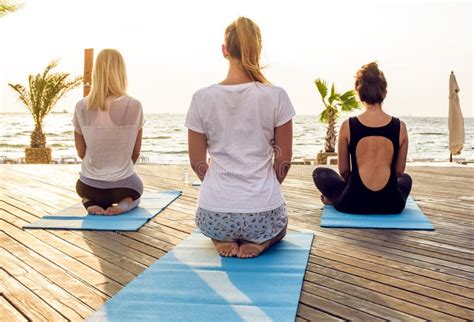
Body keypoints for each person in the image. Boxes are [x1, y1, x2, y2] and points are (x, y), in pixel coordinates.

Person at [186, 17, 295, 258]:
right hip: (262, 215)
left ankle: (220, 238)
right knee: (282, 227)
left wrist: (218, 187)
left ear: (224, 51)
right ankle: (262, 242)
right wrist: (265, 190)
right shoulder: (276, 95)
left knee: (216, 224)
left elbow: (196, 161)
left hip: (215, 214)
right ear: (258, 50)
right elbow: (284, 159)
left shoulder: (201, 98)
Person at [313, 62, 412, 214]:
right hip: (392, 204)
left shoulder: (348, 126)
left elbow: (344, 171)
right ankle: (339, 196)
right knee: (406, 179)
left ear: (359, 92)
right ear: (384, 91)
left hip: (353, 203)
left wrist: (348, 188)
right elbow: (399, 172)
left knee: (320, 173)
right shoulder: (401, 127)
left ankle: (334, 198)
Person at [73, 49, 145, 216]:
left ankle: (88, 202)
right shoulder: (134, 105)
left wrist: (100, 169)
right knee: (137, 191)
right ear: (121, 72)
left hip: (88, 186)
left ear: (96, 73)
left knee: (83, 189)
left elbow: (81, 151)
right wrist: (119, 170)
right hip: (124, 186)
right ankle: (125, 204)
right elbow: (135, 151)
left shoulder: (81, 106)